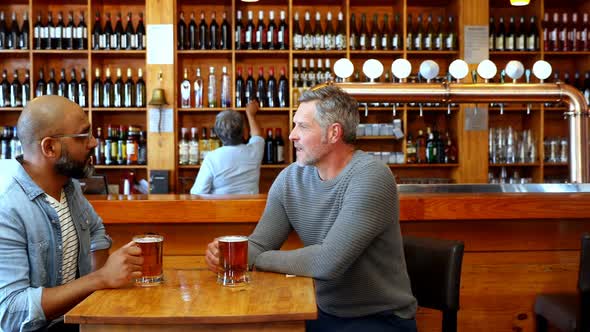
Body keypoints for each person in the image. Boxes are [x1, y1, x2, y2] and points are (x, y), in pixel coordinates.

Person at [205, 85, 417, 331]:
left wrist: (253, 259)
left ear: (333, 133)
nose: (292, 135)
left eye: (302, 126)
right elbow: (260, 243)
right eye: (294, 125)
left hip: (379, 318)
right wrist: (231, 252)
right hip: (320, 311)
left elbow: (328, 262)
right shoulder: (290, 179)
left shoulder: (371, 176)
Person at [0, 95, 144, 332]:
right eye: (83, 135)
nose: (94, 142)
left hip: (75, 322)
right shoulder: (7, 207)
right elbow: (9, 313)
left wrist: (96, 288)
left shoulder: (68, 186)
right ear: (50, 147)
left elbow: (96, 230)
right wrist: (100, 279)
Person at [190, 100, 264, 194]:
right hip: (251, 208)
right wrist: (250, 114)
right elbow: (257, 135)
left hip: (221, 208)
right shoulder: (254, 152)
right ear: (243, 131)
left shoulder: (212, 158)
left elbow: (197, 193)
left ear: (217, 133)